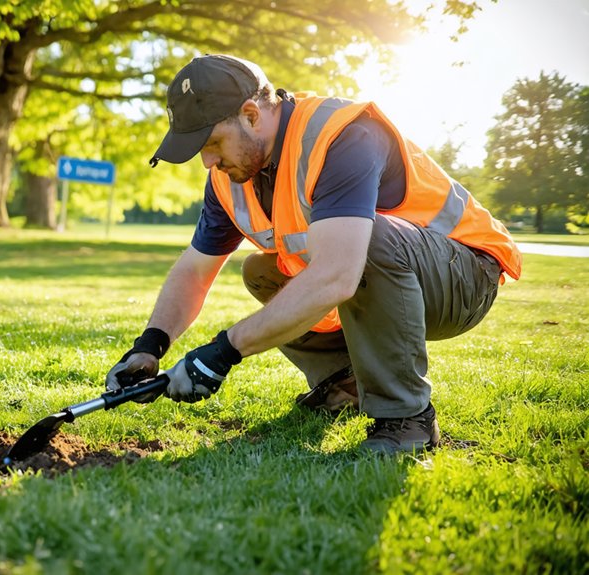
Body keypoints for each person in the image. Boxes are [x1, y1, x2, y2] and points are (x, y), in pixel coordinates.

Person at [105, 54, 521, 454]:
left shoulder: (342, 136)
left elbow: (338, 274)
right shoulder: (229, 177)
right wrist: (149, 346)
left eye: (212, 143)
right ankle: (344, 385)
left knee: (363, 241)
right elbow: (195, 271)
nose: (207, 161)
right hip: (394, 274)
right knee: (261, 271)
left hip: (464, 277)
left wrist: (223, 351)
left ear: (251, 115)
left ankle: (406, 417)